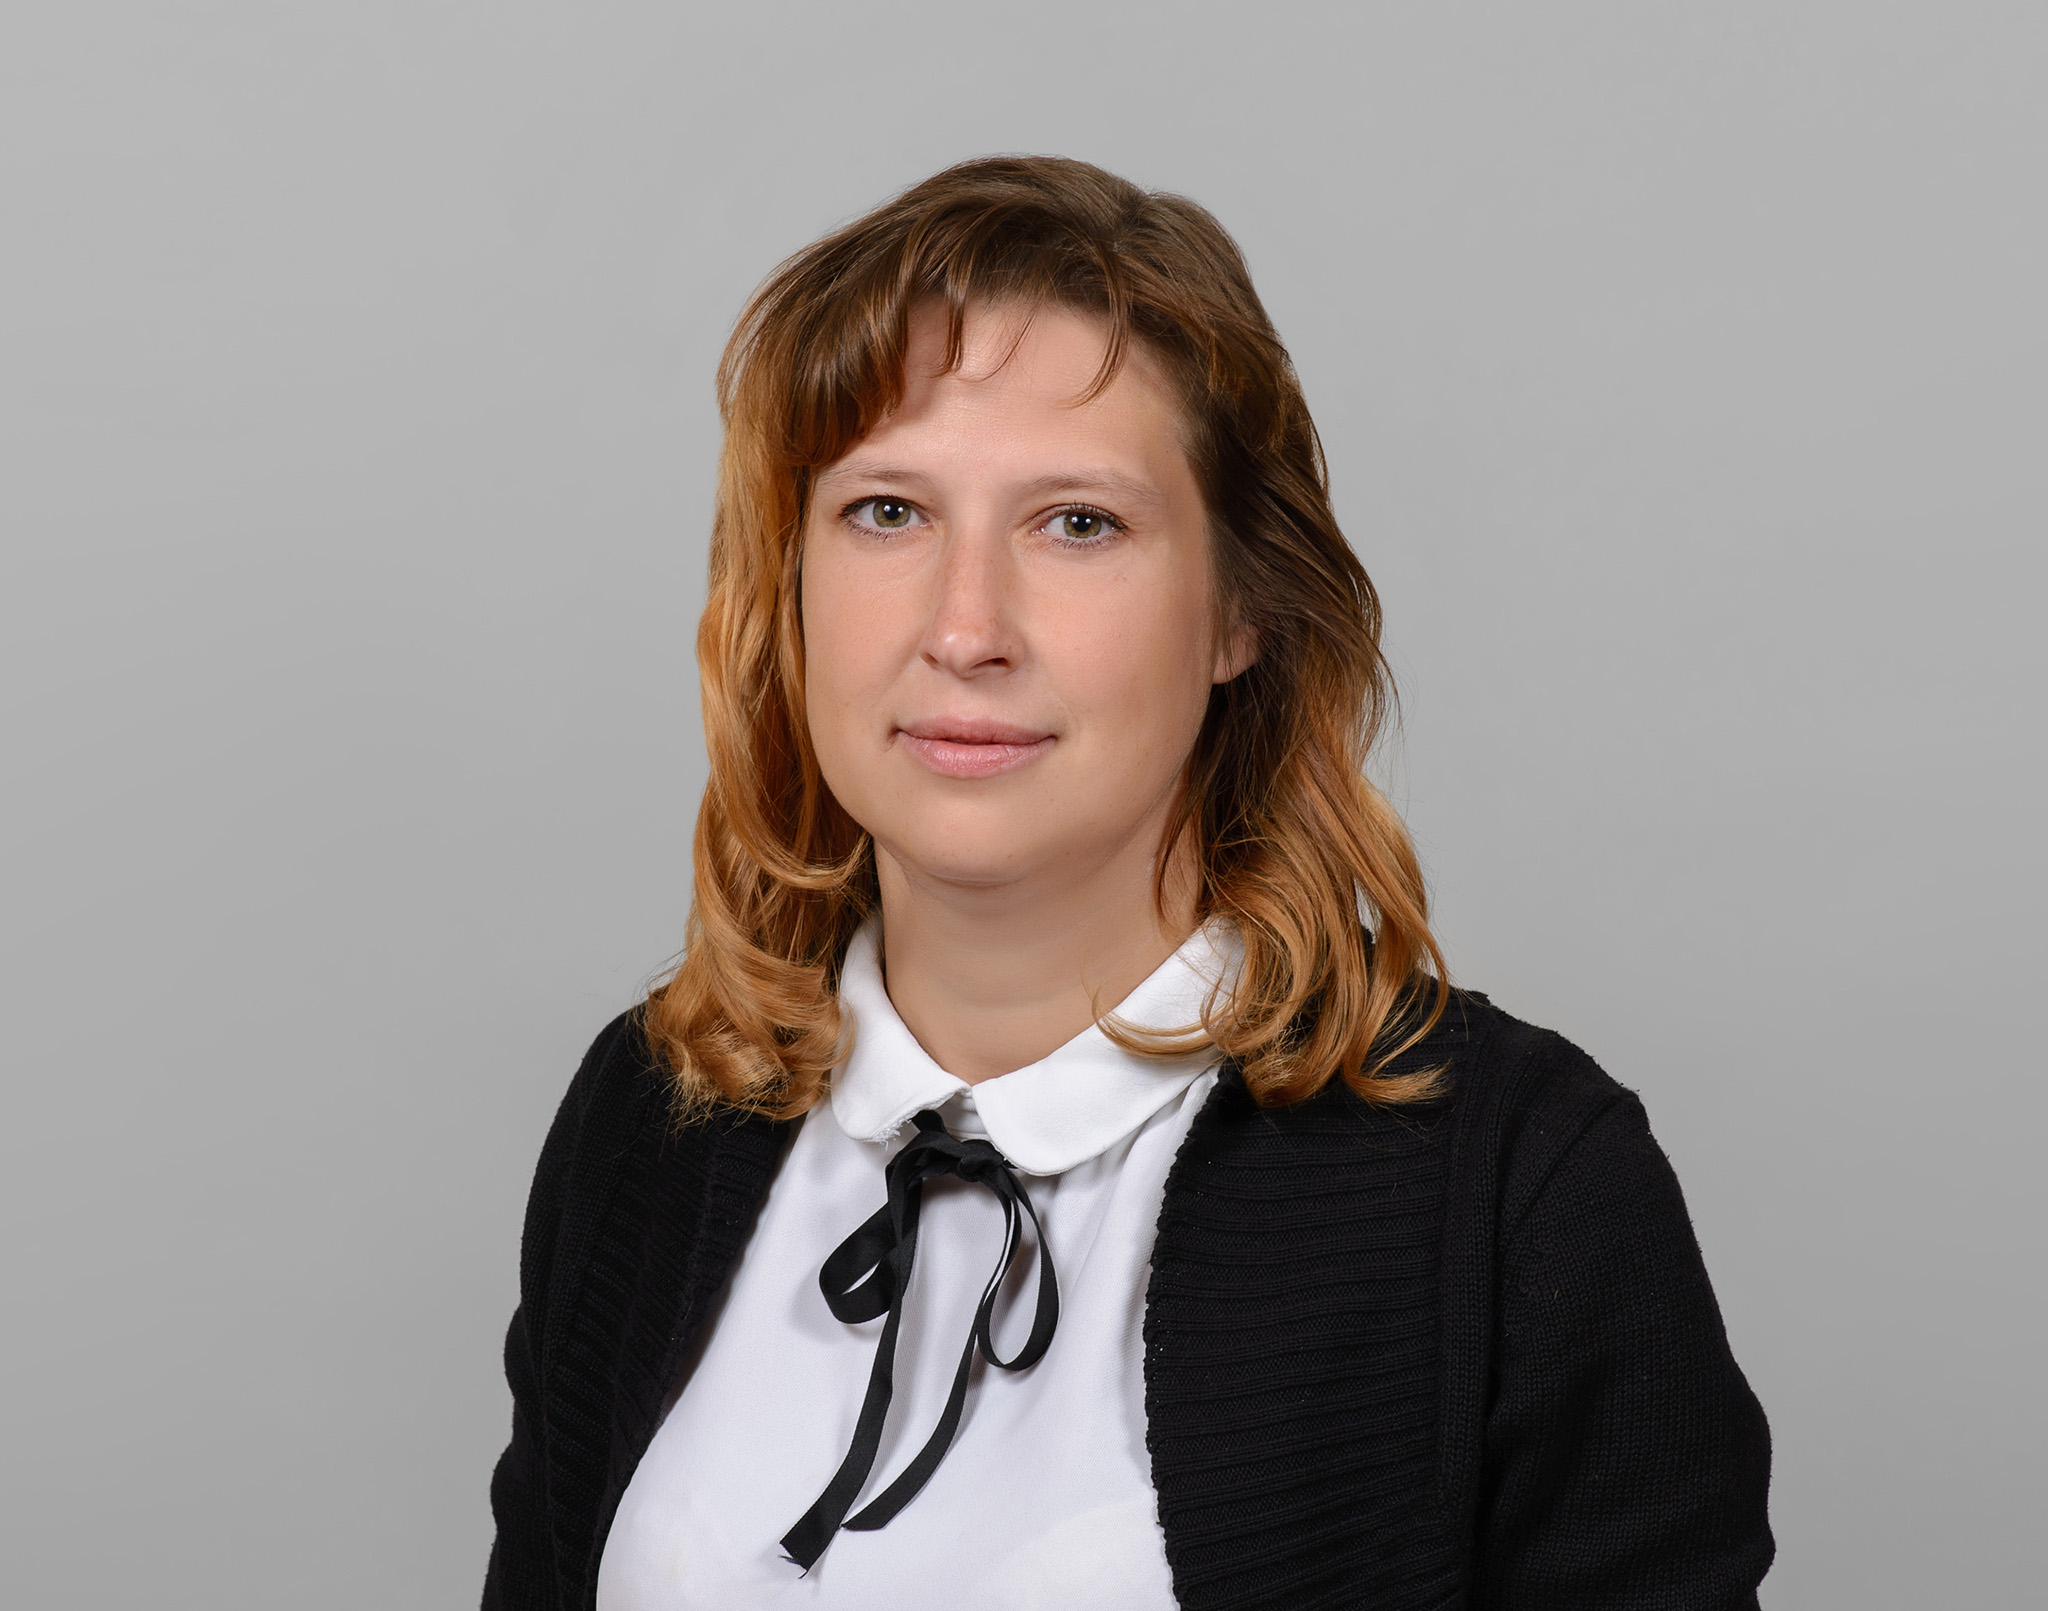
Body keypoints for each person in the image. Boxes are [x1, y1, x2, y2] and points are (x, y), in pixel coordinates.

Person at [482, 156, 1773, 1611]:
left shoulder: (1528, 1192)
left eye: (1078, 524)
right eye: (887, 512)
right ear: (786, 584)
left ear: (1240, 612)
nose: (965, 629)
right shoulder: (650, 1119)